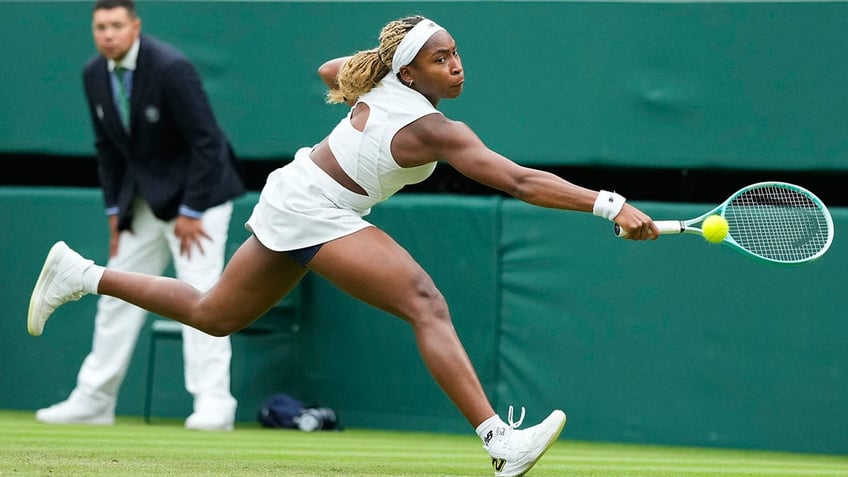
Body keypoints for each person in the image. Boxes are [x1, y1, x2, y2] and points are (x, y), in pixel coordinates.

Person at [27, 15, 658, 475]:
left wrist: (390, 53)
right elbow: (520, 180)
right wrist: (610, 205)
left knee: (212, 315)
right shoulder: (434, 128)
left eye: (456, 52)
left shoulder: (385, 87)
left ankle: (81, 274)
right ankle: (498, 440)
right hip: (313, 206)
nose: (456, 65)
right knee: (424, 301)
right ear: (409, 71)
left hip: (298, 196)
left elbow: (334, 70)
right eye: (440, 58)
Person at [33, 0, 245, 432]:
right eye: (100, 27)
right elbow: (108, 149)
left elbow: (208, 142)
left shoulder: (172, 67)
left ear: (135, 27)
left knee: (204, 296)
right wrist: (115, 212)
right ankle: (93, 401)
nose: (108, 34)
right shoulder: (94, 74)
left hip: (197, 201)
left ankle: (213, 405)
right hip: (142, 204)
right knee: (115, 295)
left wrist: (190, 211)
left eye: (116, 25)